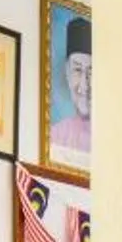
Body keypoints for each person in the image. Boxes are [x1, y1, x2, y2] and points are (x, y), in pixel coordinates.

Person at [51, 13, 92, 158]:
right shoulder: (56, 135)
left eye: (91, 72)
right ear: (67, 72)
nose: (84, 85)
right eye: (77, 70)